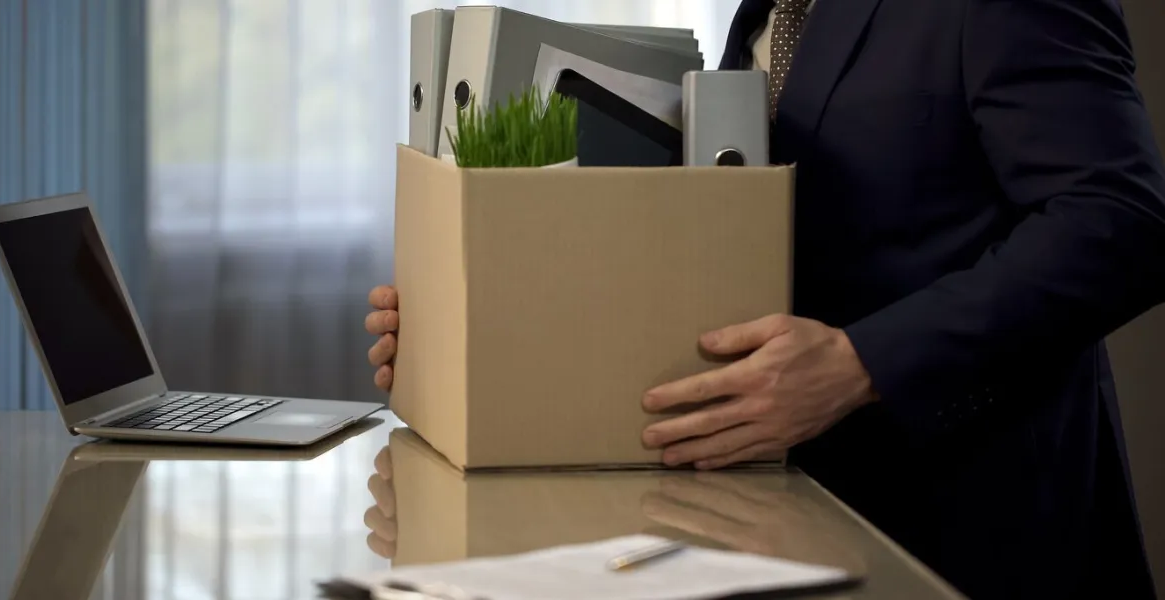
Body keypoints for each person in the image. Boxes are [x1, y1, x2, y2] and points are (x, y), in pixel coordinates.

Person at [366, 0, 1165, 597]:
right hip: (778, 518)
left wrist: (864, 363)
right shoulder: (765, 9)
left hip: (974, 531)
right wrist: (471, 319)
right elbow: (728, 234)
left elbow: (1123, 224)